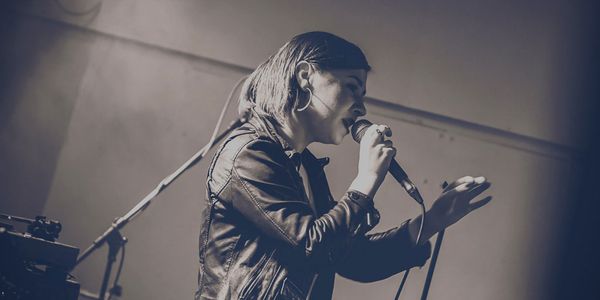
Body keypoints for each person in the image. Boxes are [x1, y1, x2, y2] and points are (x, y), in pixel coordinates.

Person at [194, 31, 491, 300]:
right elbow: (313, 244)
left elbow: (351, 258)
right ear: (305, 76)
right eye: (352, 87)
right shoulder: (250, 153)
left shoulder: (305, 168)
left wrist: (434, 220)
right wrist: (367, 180)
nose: (361, 108)